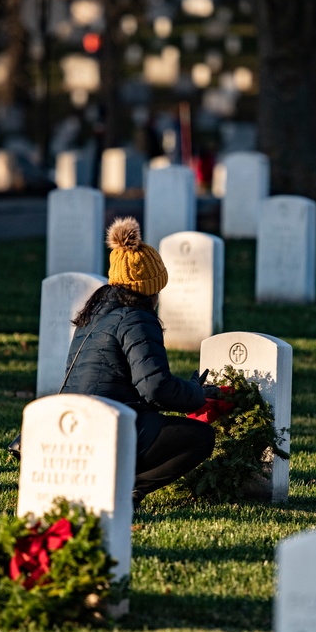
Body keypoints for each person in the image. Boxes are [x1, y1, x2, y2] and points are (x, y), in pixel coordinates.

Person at [59, 217, 215, 510]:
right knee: (200, 437)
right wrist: (197, 393)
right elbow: (157, 388)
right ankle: (127, 489)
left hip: (76, 423)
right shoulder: (137, 318)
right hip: (110, 426)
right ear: (150, 289)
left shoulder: (95, 314)